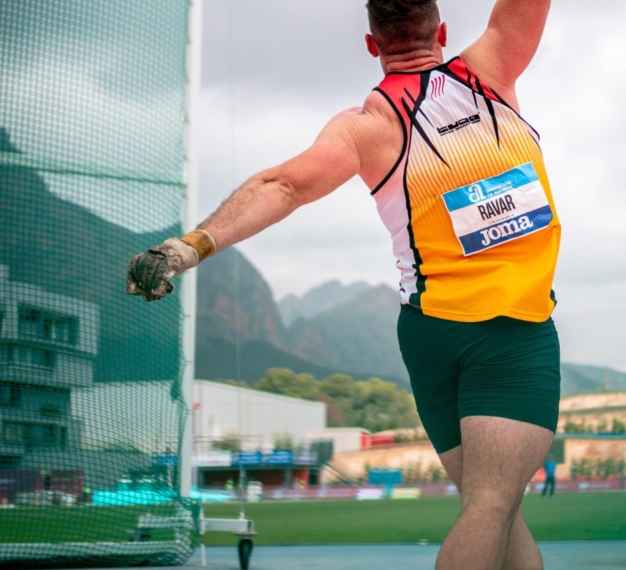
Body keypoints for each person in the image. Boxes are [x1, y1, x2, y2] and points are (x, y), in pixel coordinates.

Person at [125, 1, 560, 569]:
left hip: (430, 335)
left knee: (496, 508)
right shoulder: (490, 71)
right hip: (510, 328)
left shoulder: (366, 126)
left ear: (373, 45)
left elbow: (282, 186)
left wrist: (187, 247)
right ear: (442, 31)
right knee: (492, 504)